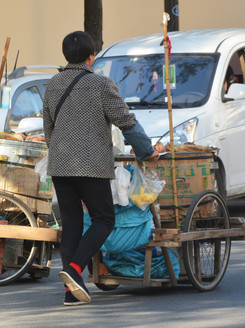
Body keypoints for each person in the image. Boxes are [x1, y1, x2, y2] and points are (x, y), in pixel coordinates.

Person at [43, 31, 159, 306]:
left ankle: (71, 293)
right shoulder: (100, 84)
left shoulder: (53, 84)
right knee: (104, 219)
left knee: (71, 224)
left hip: (60, 164)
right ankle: (74, 269)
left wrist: (62, 153)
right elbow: (126, 121)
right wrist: (146, 150)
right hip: (91, 165)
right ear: (91, 56)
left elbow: (49, 129)